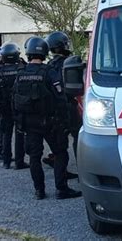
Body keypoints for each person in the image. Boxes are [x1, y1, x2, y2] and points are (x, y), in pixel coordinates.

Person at [13, 37, 82, 200]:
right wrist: (65, 122)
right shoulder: (49, 72)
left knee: (34, 157)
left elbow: (14, 100)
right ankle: (61, 189)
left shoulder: (20, 74)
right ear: (44, 52)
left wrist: (19, 122)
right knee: (60, 153)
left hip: (29, 123)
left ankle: (39, 191)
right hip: (50, 122)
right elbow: (60, 99)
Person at [41, 31, 80, 180]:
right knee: (76, 135)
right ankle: (81, 166)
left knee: (60, 140)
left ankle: (58, 165)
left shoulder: (49, 65)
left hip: (55, 108)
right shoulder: (71, 61)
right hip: (69, 104)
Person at [0, 42, 30, 170]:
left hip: (3, 107)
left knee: (6, 134)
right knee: (19, 133)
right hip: (19, 106)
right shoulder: (22, 69)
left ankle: (6, 161)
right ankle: (19, 161)